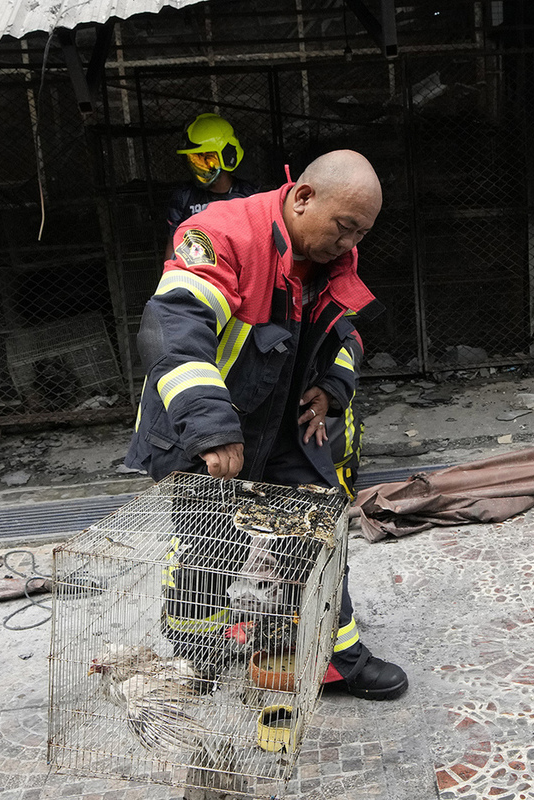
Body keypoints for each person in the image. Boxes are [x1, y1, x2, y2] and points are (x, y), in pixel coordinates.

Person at [126, 149, 407, 701]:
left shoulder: (332, 263)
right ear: (303, 198)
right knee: (210, 545)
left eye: (360, 235)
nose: (350, 245)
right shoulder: (221, 235)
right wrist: (211, 425)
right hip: (205, 422)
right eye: (344, 228)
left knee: (318, 536)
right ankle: (197, 652)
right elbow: (172, 327)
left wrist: (331, 389)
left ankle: (334, 658)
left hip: (280, 424)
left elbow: (345, 339)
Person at [166, 113, 259, 249]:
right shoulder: (183, 198)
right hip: (197, 268)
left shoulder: (251, 197)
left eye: (207, 159)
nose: (199, 167)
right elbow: (173, 247)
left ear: (227, 156)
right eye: (194, 160)